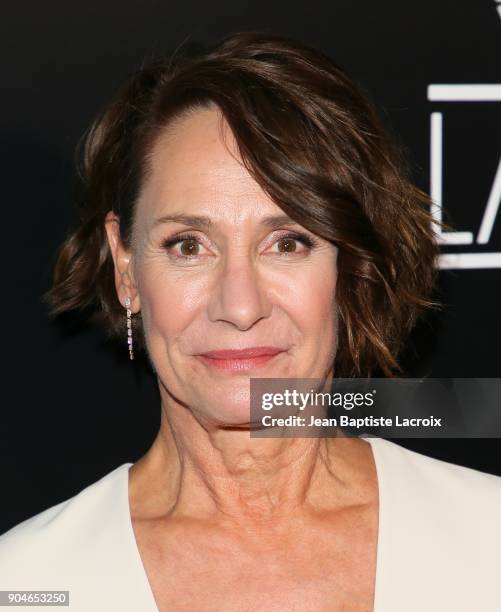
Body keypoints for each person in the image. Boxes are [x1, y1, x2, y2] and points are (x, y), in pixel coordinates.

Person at [1, 31, 500, 612]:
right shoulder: (26, 584)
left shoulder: (488, 540)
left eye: (287, 242)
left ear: (348, 269)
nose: (239, 307)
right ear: (127, 268)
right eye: (188, 245)